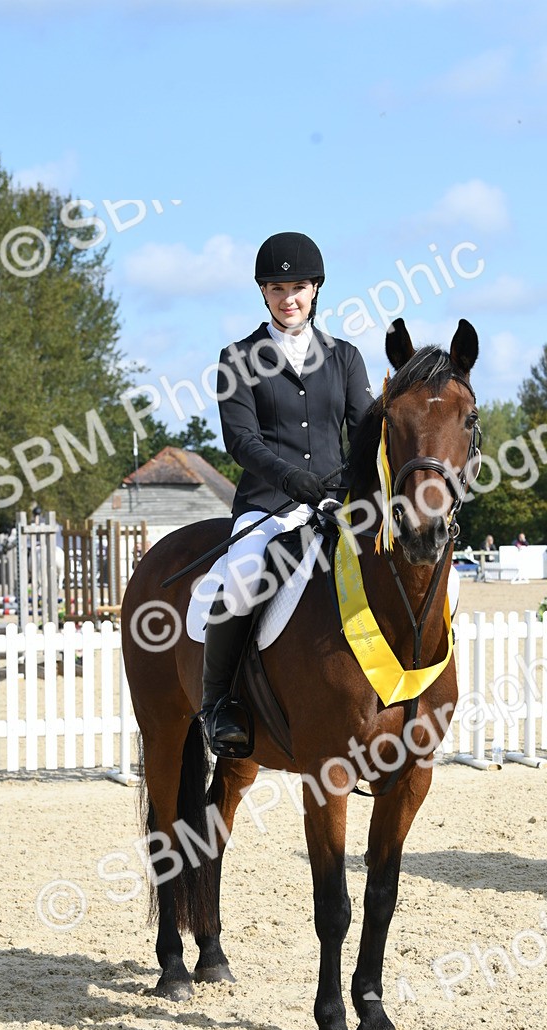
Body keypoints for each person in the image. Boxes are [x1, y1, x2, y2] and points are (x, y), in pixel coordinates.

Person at [201, 232, 373, 755]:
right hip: (267, 507)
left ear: (315, 289)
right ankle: (218, 706)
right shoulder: (238, 357)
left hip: (334, 508)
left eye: (298, 287)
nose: (288, 298)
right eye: (277, 288)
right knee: (242, 576)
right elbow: (241, 438)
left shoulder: (345, 357)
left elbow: (364, 434)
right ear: (263, 292)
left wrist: (341, 483)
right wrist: (288, 478)